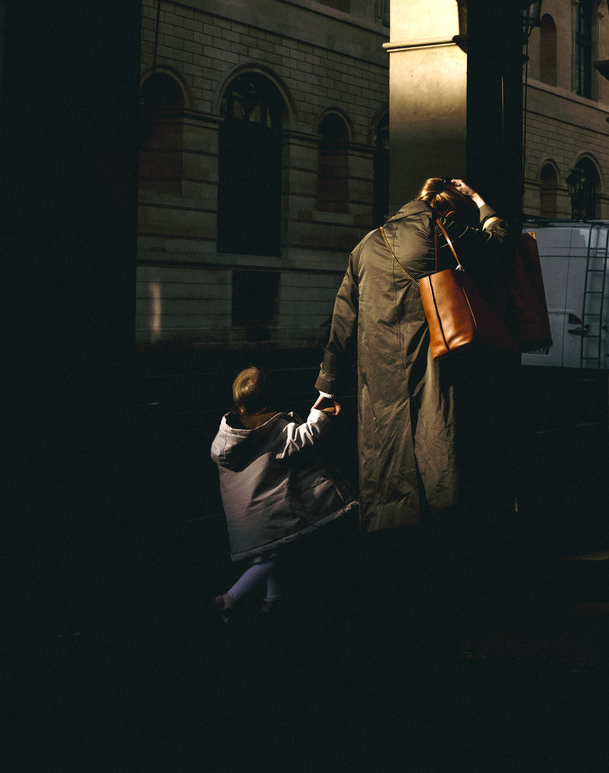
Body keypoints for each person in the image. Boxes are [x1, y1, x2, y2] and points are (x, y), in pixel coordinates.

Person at [314, 177, 515, 603]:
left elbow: (342, 322)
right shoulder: (441, 231)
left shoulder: (365, 246)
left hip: (379, 383)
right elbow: (500, 244)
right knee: (442, 463)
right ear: (448, 212)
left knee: (388, 475)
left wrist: (327, 386)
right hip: (434, 374)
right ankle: (450, 582)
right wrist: (481, 202)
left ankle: (393, 583)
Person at [210, 366, 355, 621]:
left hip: (244, 517)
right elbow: (307, 435)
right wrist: (321, 412)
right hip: (264, 515)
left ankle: (272, 599)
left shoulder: (227, 436)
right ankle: (230, 598)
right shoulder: (273, 430)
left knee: (273, 550)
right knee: (269, 559)